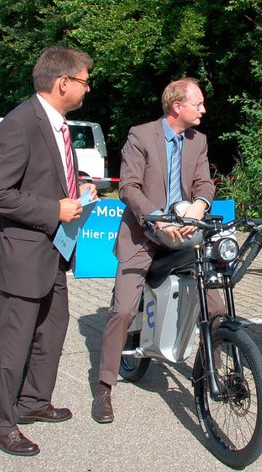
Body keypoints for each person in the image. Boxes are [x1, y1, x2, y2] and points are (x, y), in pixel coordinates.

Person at [91, 78, 225, 423]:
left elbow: (205, 182)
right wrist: (158, 220)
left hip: (182, 233)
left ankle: (215, 370)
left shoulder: (199, 141)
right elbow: (130, 188)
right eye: (199, 103)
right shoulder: (141, 135)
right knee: (122, 310)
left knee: (216, 305)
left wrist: (199, 205)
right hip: (143, 234)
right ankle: (104, 387)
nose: (204, 110)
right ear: (177, 105)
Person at [0, 45, 97, 456]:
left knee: (52, 330)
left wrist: (81, 189)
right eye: (85, 81)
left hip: (54, 252)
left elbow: (47, 175)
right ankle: (3, 423)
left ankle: (33, 402)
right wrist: (53, 208)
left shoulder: (57, 124)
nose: (88, 89)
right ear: (63, 82)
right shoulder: (21, 122)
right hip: (23, 254)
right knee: (13, 342)